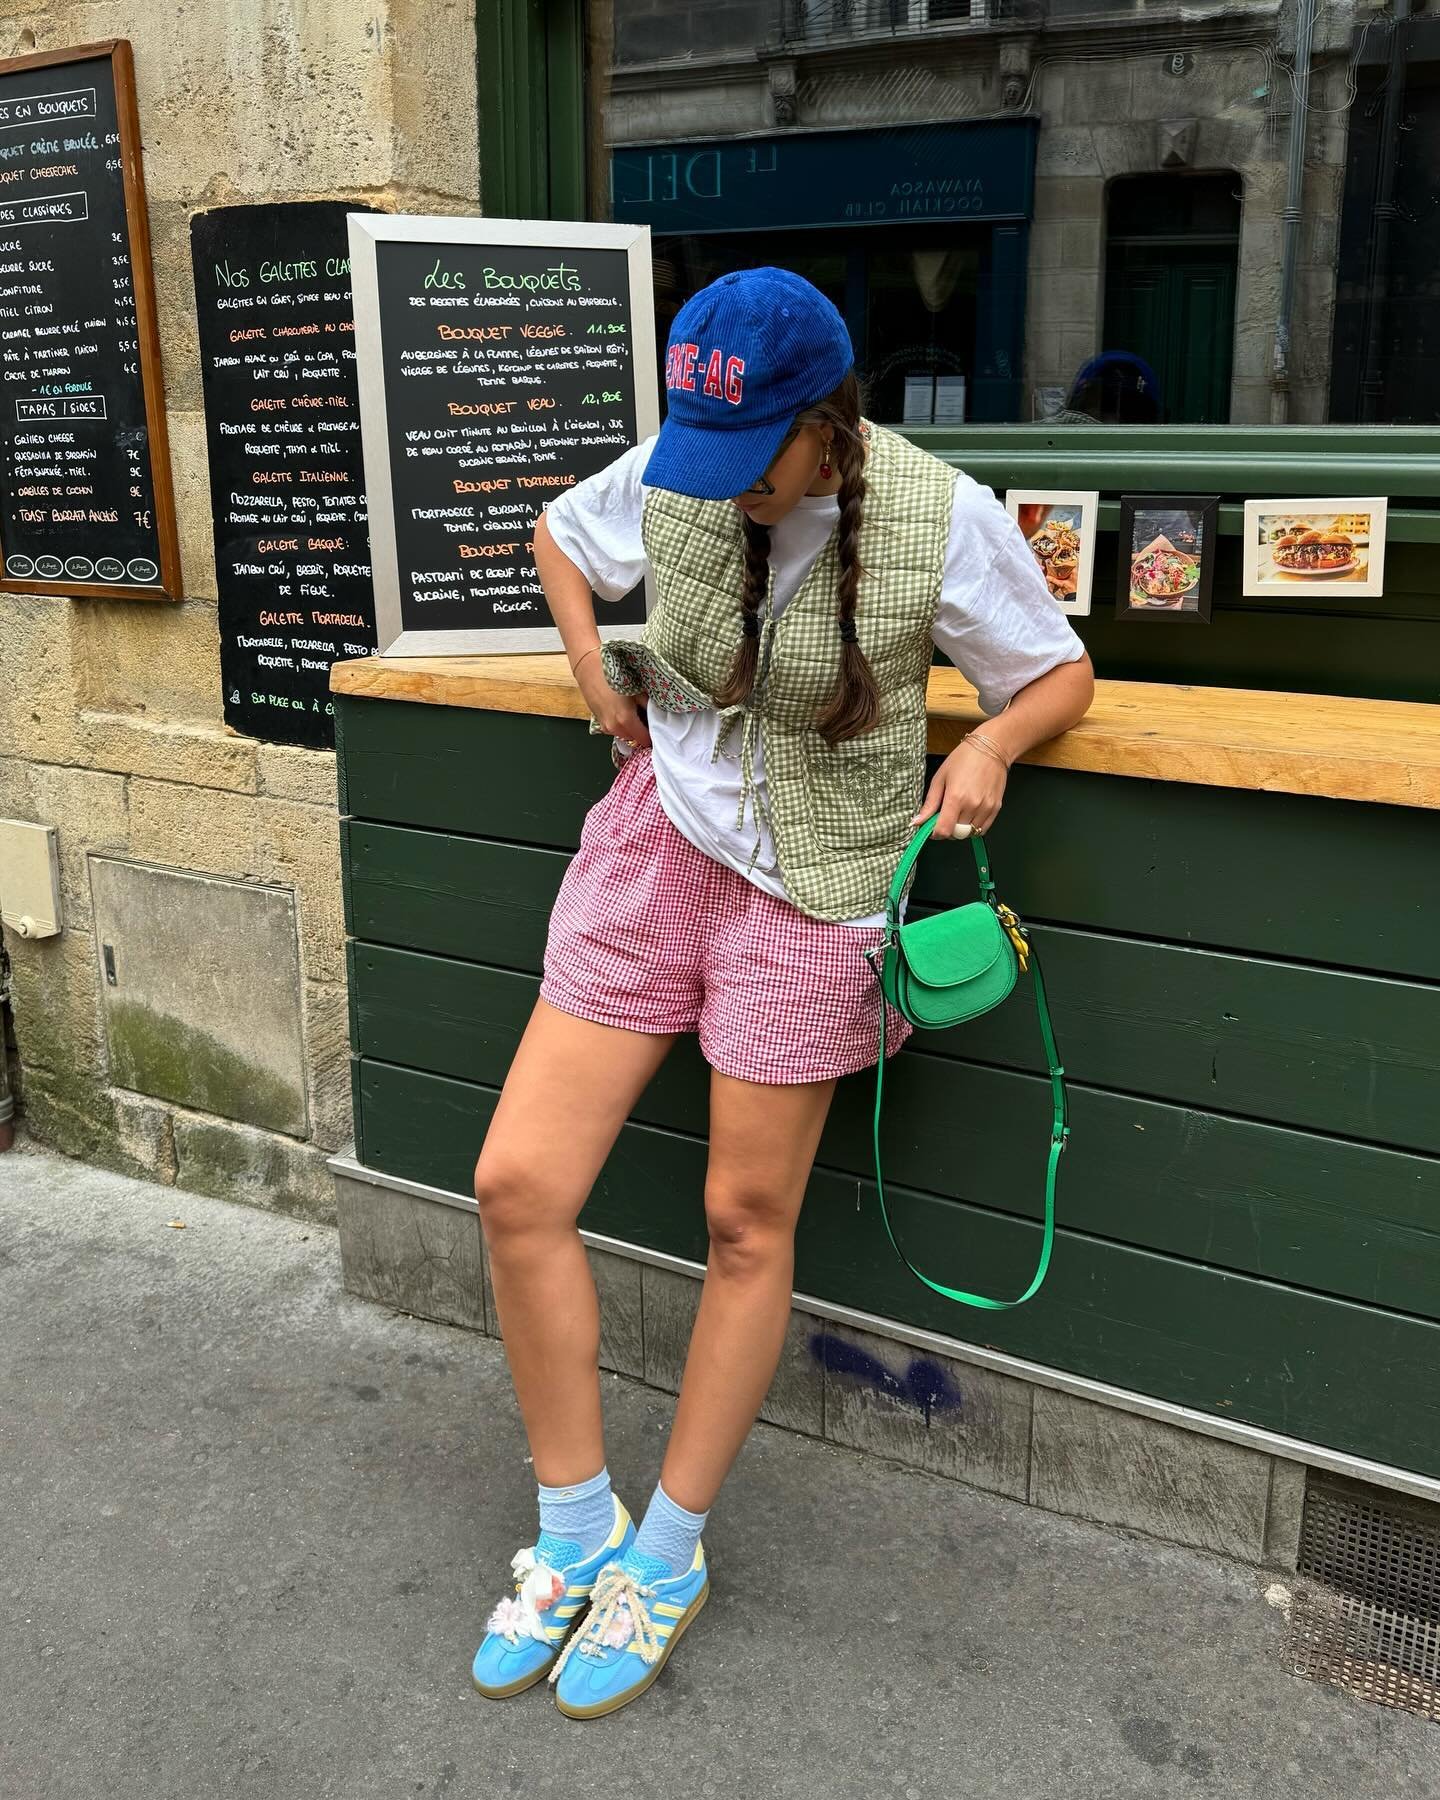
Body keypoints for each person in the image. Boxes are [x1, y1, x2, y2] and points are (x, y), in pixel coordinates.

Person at [469, 266, 1094, 1720]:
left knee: (745, 1222)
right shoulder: (687, 469)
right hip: (657, 855)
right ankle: (574, 1530)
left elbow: (1059, 674)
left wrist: (995, 745)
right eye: (708, 463)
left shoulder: (943, 514)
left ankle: (667, 1556)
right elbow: (563, 538)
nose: (730, 494)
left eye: (758, 469)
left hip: (819, 893)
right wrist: (586, 662)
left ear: (831, 425)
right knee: (516, 1183)